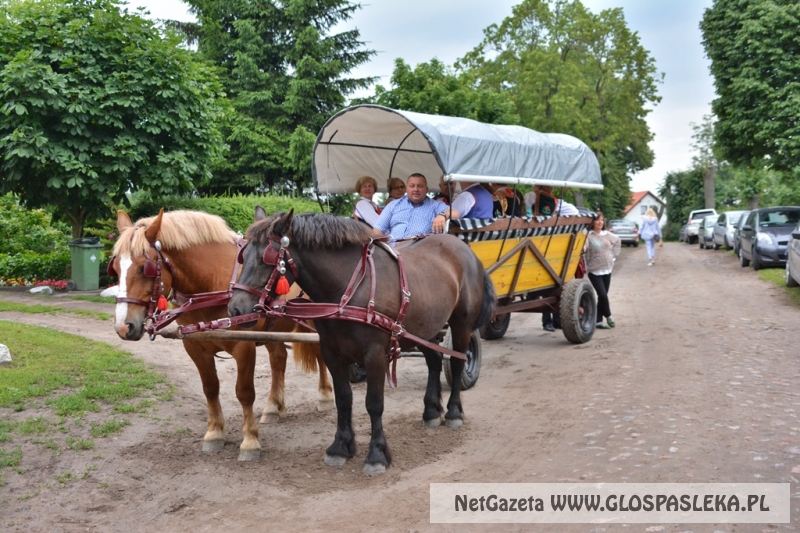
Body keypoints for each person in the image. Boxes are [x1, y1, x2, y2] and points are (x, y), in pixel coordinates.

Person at [372, 173, 453, 241]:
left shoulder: (435, 205)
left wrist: (442, 215)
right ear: (406, 189)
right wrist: (384, 247)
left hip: (420, 252)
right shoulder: (393, 205)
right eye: (412, 186)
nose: (416, 189)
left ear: (426, 189)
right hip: (393, 251)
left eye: (420, 186)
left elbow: (455, 213)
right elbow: (377, 229)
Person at [584, 212, 621, 329]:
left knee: (602, 296)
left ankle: (598, 321)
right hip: (594, 270)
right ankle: (608, 315)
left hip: (607, 269)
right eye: (597, 220)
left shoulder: (607, 234)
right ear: (593, 222)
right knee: (603, 295)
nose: (600, 222)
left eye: (602, 220)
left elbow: (618, 241)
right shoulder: (588, 236)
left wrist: (613, 256)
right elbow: (583, 248)